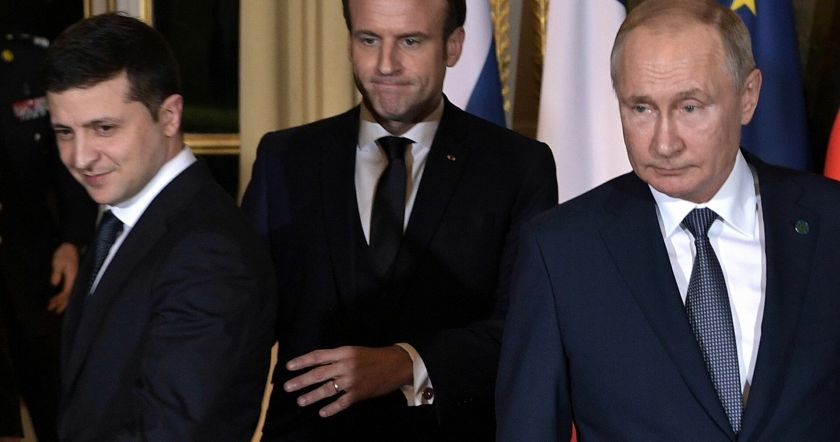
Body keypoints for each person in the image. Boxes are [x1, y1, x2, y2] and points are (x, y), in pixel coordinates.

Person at [496, 0, 840, 440]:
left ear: (748, 96)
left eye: (689, 107)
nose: (663, 143)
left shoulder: (831, 222)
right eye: (641, 108)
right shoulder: (561, 253)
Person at [241, 0, 557, 439]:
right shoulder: (285, 159)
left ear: (452, 46)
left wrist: (406, 363)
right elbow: (241, 328)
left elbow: (525, 329)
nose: (386, 64)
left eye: (410, 41)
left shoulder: (517, 168)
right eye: (369, 39)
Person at [44, 13, 277, 440]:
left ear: (169, 116)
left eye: (104, 128)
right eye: (64, 132)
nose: (80, 157)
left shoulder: (209, 253)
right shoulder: (123, 218)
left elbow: (172, 432)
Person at [0, 31, 96, 442]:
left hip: (34, 261)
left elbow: (67, 162)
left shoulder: (26, 63)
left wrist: (73, 241)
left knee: (54, 395)